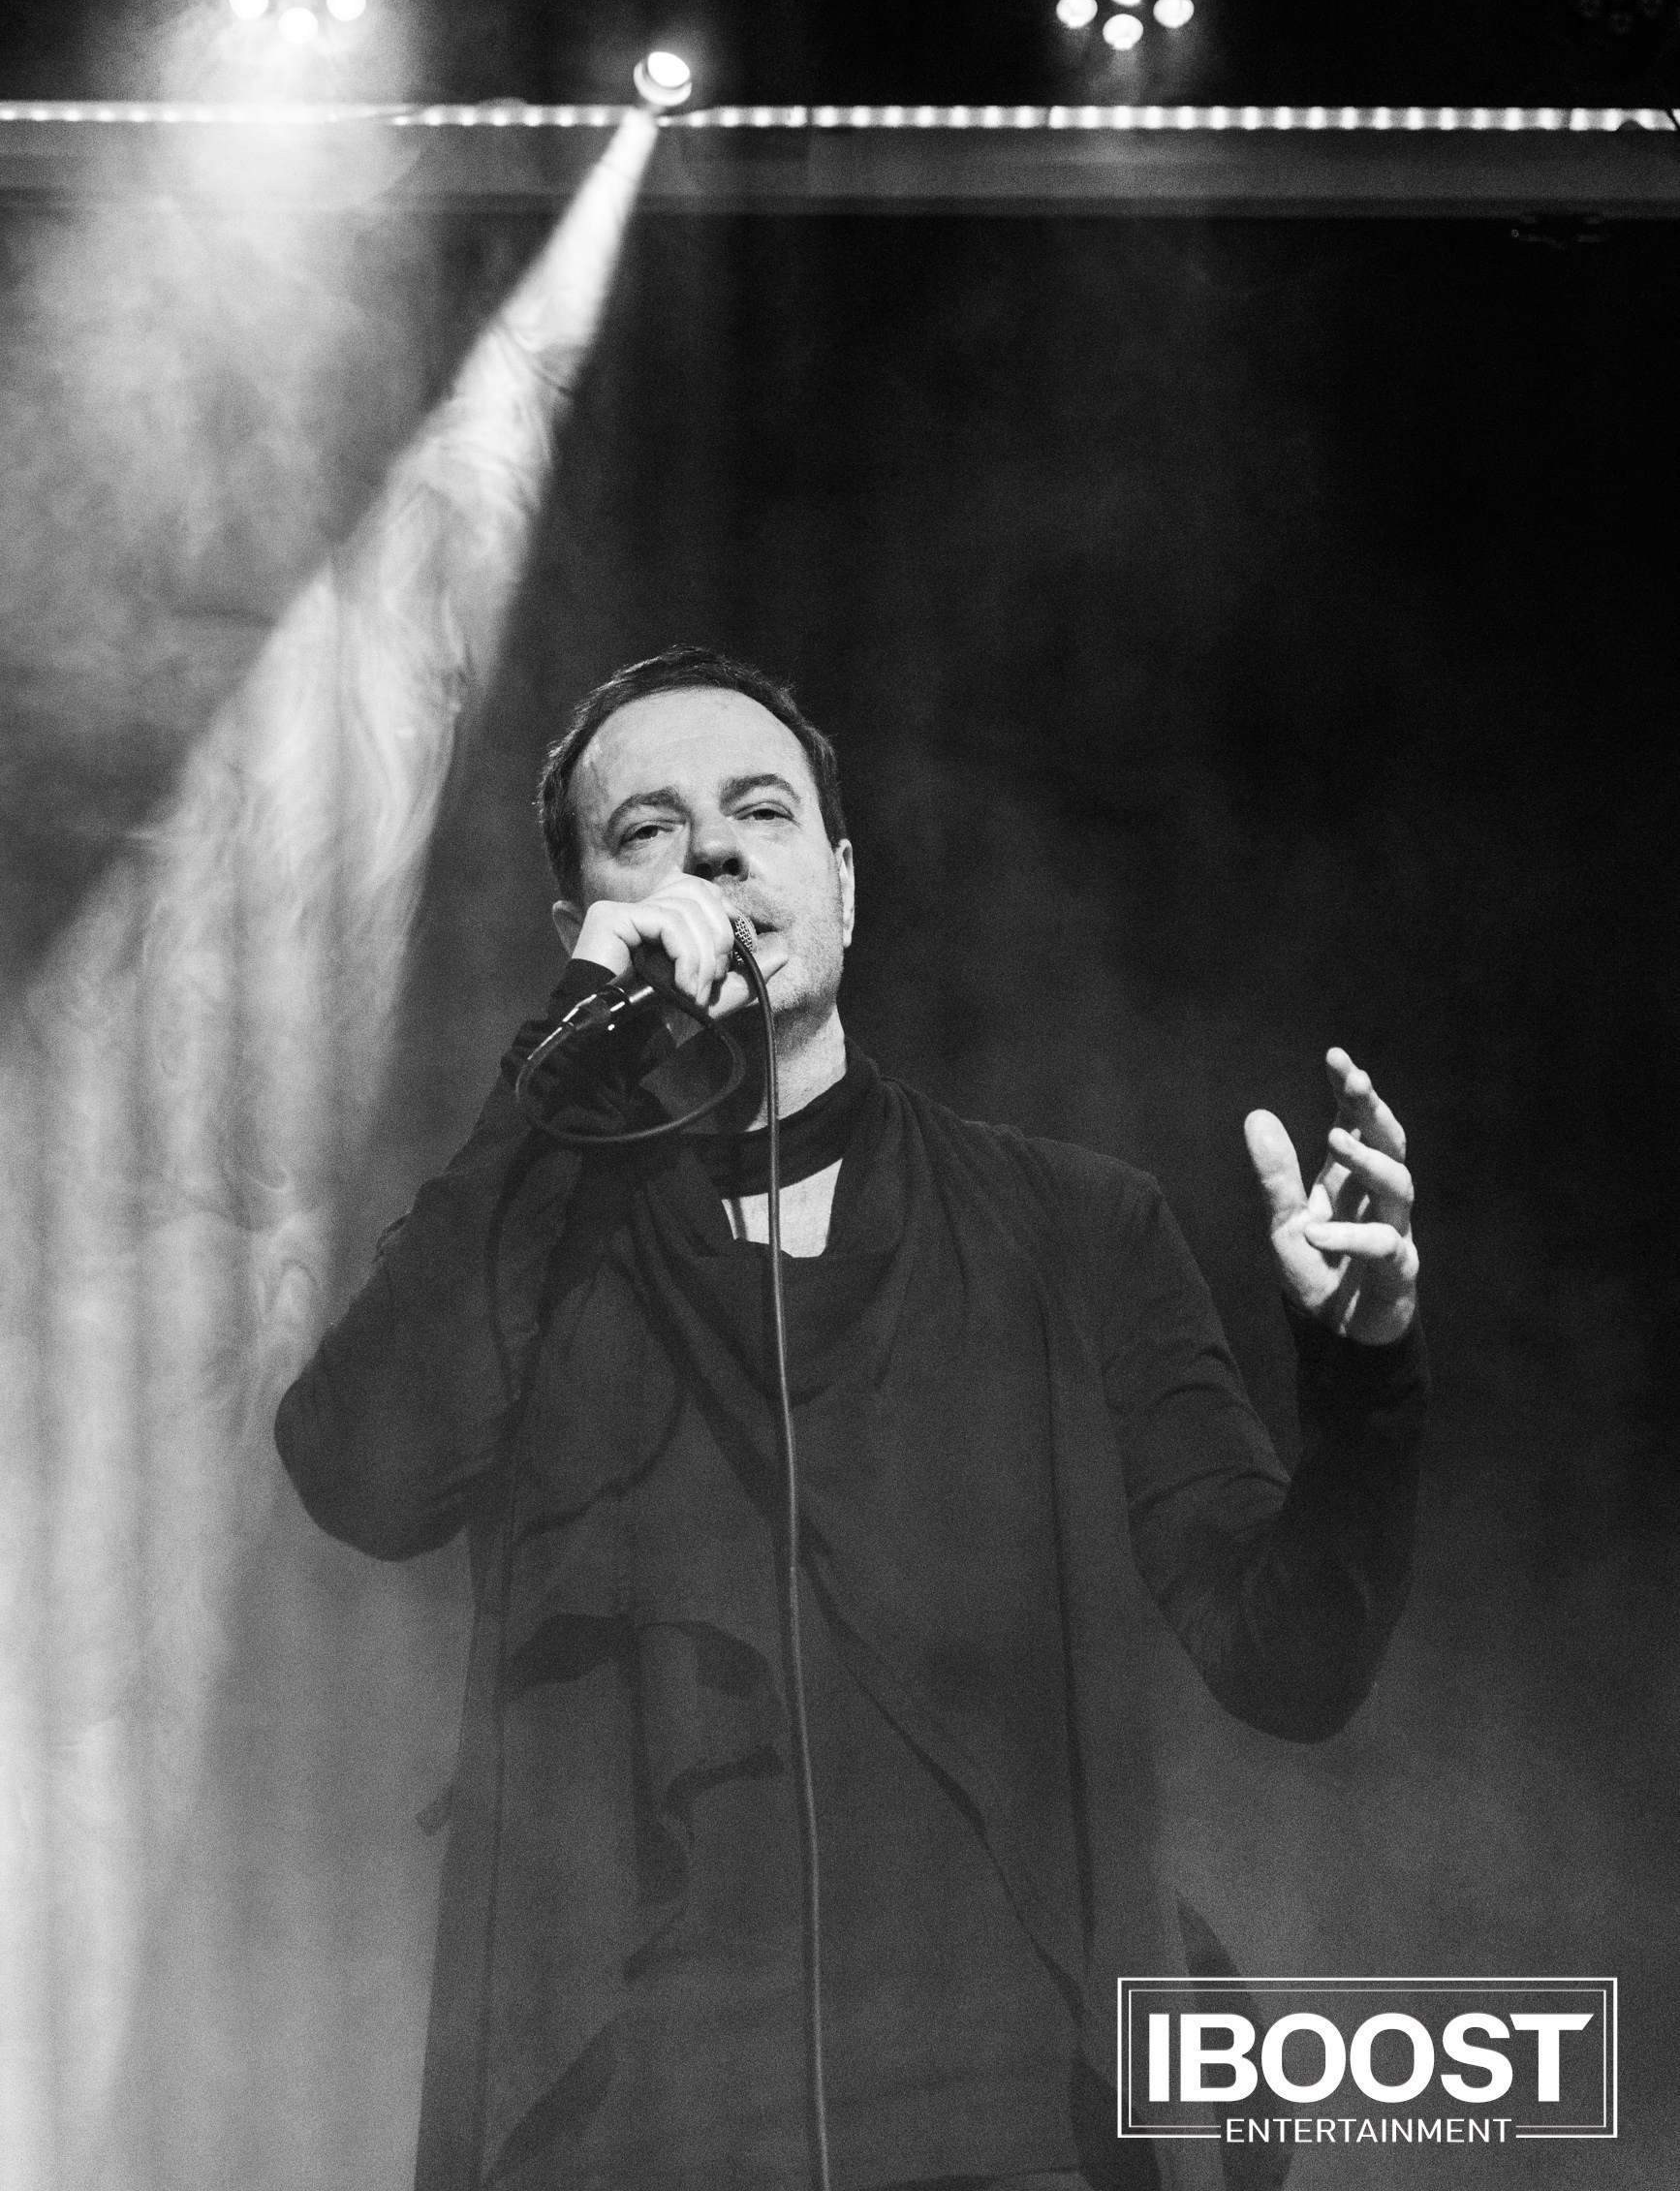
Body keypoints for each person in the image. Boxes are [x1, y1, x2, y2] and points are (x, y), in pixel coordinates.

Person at [275, 644, 1426, 2191]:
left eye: (761, 812)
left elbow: (1288, 1664)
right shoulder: (533, 1244)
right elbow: (363, 1476)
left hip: (1019, 2124)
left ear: (842, 881)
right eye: (648, 830)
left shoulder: (1075, 1228)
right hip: (631, 2139)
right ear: (581, 928)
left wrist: (1362, 1371)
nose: (716, 853)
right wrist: (566, 1058)